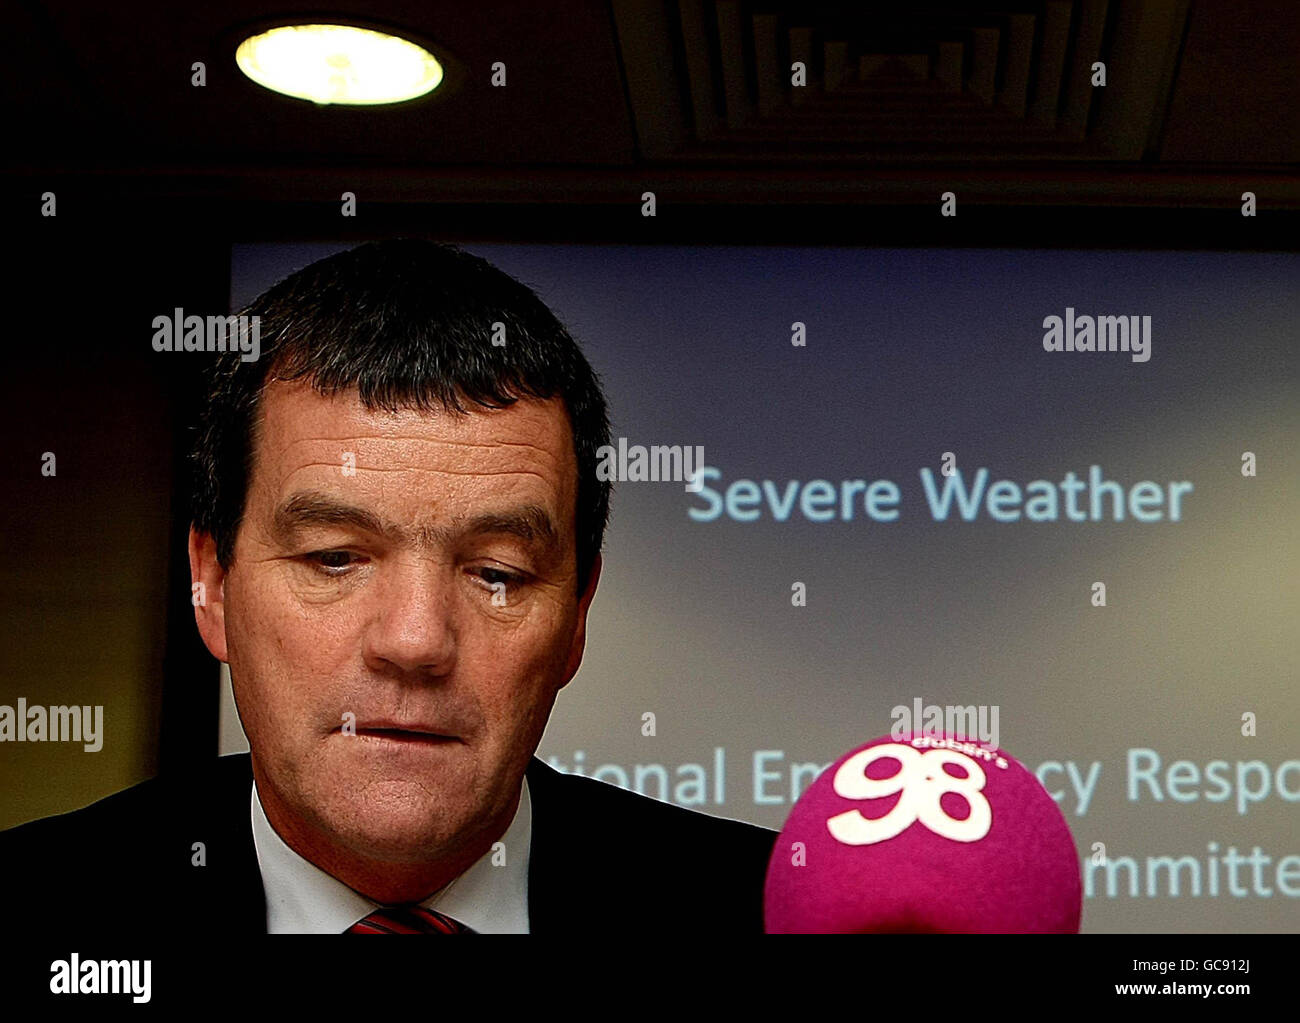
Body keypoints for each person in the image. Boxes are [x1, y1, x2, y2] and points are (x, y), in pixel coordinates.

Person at [0, 240, 776, 933]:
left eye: (497, 573)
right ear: (212, 585)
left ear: (577, 616)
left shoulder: (773, 911)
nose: (414, 641)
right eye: (335, 558)